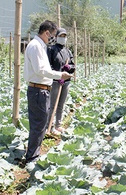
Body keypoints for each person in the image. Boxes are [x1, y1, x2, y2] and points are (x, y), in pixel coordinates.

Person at [23, 20, 73, 168]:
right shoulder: (36, 47)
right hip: (38, 90)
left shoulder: (39, 46)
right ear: (46, 33)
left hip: (41, 89)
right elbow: (40, 70)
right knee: (38, 124)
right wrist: (59, 75)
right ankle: (32, 158)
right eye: (52, 35)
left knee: (40, 123)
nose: (53, 38)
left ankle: (34, 153)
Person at [46, 28, 75, 135]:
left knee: (61, 104)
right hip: (55, 81)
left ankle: (58, 125)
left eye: (64, 36)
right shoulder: (51, 49)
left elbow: (73, 65)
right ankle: (50, 126)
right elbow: (48, 66)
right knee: (53, 104)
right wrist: (58, 75)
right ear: (57, 37)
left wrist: (69, 67)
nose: (63, 38)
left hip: (66, 81)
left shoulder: (68, 51)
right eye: (61, 36)